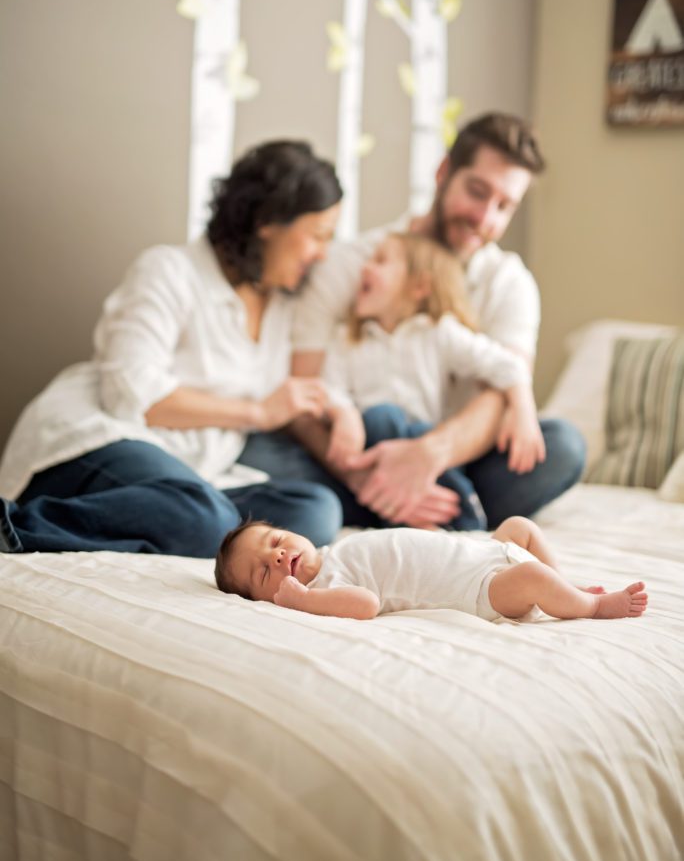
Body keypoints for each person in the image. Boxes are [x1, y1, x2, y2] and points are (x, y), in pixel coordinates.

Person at [0, 141, 344, 557]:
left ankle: (180, 519)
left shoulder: (284, 306)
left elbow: (296, 393)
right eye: (318, 236)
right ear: (268, 221)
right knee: (208, 520)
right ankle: (15, 526)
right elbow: (131, 393)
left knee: (316, 511)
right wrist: (257, 413)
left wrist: (338, 408)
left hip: (193, 475)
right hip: (102, 438)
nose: (323, 254)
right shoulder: (169, 270)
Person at [273, 111, 586, 530]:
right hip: (354, 458)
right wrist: (361, 474)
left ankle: (433, 505)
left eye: (504, 206)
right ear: (444, 172)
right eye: (477, 192)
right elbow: (305, 394)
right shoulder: (354, 265)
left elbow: (503, 394)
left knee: (562, 446)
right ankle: (411, 506)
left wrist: (426, 456)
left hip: (458, 461)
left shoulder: (508, 283)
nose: (486, 219)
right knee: (262, 451)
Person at [321, 232, 545, 530]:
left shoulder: (440, 332)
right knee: (380, 416)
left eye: (380, 262)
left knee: (421, 431)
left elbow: (506, 365)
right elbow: (329, 389)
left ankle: (452, 516)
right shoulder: (346, 339)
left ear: (419, 286)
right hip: (373, 452)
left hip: (426, 452)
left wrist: (523, 411)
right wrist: (343, 414)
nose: (365, 268)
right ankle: (430, 518)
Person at [214, 515, 649, 622]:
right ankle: (591, 606)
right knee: (532, 578)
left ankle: (565, 585)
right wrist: (304, 601)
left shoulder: (332, 551)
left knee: (521, 527)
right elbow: (366, 605)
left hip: (484, 552)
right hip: (482, 587)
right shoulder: (326, 585)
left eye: (274, 541)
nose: (274, 557)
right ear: (269, 598)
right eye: (262, 573)